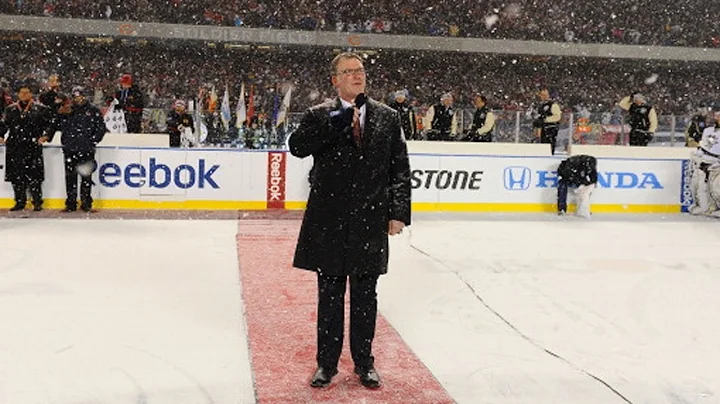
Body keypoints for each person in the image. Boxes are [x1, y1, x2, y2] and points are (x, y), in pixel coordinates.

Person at [287, 52, 411, 390]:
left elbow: (399, 167)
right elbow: (297, 147)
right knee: (329, 297)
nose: (357, 76)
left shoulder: (388, 117)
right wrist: (335, 123)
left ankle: (364, 363)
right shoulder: (318, 115)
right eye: (349, 71)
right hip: (329, 221)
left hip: (370, 222)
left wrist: (398, 213)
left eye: (360, 70)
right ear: (335, 80)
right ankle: (326, 365)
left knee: (365, 296)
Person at [0, 82, 54, 212]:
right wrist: (0, 135)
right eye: (21, 93)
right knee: (16, 177)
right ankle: (19, 201)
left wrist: (45, 136)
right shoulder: (10, 109)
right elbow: (3, 125)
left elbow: (50, 125)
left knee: (34, 177)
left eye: (26, 92)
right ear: (18, 94)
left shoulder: (41, 109)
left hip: (32, 145)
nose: (24, 95)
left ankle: (37, 202)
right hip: (15, 146)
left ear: (31, 94)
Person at [55, 86, 107, 212]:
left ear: (84, 96)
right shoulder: (67, 110)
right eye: (75, 96)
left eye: (80, 96)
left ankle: (86, 203)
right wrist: (59, 113)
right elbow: (56, 125)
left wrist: (92, 141)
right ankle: (71, 203)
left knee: (86, 178)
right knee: (70, 178)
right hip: (70, 149)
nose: (78, 99)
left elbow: (101, 128)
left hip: (86, 149)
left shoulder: (93, 110)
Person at [688, 111, 720, 216]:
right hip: (704, 162)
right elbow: (704, 146)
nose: (718, 118)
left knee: (716, 188)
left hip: (717, 163)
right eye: (717, 115)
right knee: (698, 186)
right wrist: (698, 154)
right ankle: (702, 206)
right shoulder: (708, 130)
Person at [533, 88, 562, 154]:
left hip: (551, 128)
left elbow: (557, 117)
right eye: (542, 95)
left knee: (549, 144)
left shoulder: (553, 105)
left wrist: (545, 120)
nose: (543, 96)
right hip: (543, 128)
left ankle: (550, 155)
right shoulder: (541, 105)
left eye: (545, 95)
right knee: (543, 145)